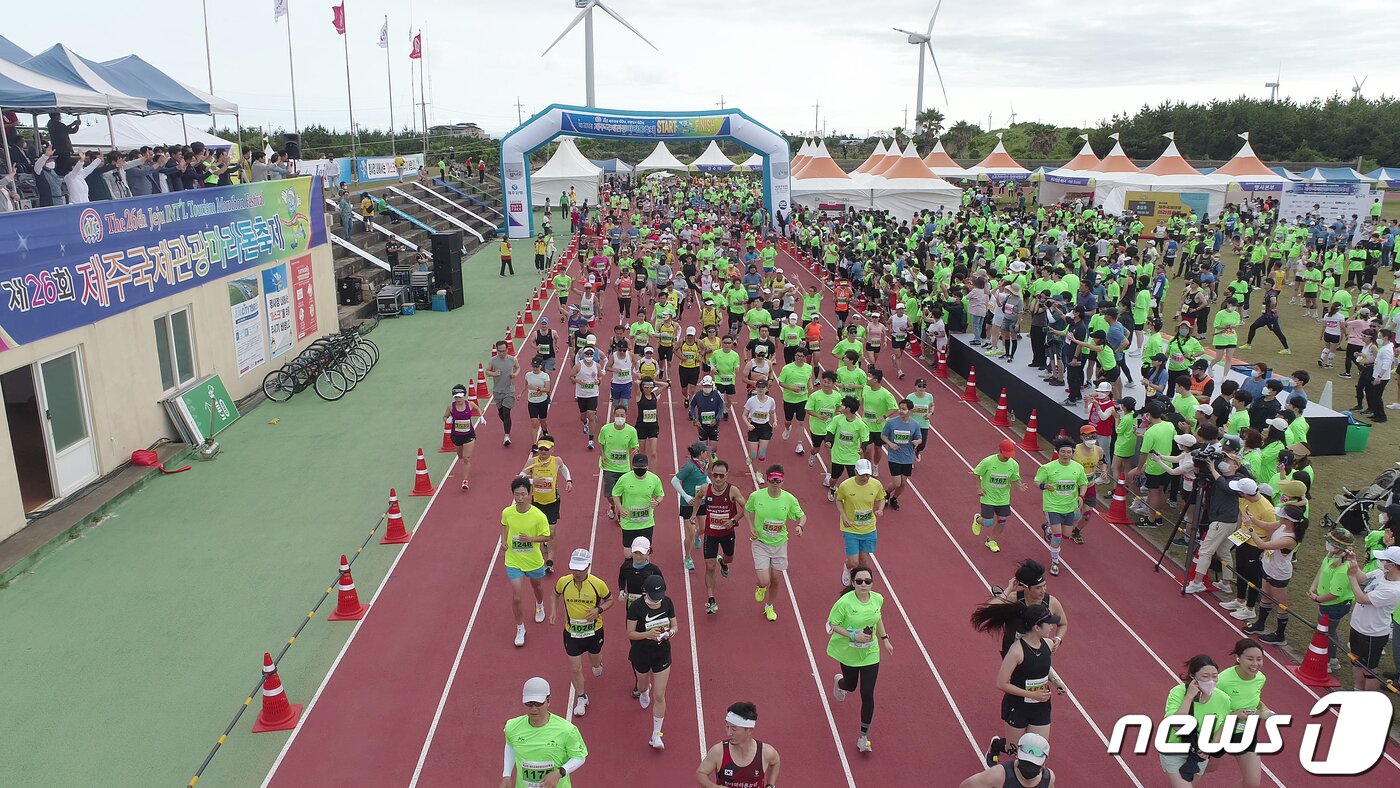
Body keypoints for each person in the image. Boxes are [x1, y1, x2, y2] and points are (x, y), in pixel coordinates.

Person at [973, 603, 1064, 767]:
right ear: (1037, 627)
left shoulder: (1048, 645)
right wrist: (1032, 695)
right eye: (1048, 623)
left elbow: (1043, 666)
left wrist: (1057, 682)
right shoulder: (1016, 651)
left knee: (1038, 753)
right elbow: (1001, 683)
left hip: (1041, 707)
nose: (1052, 626)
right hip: (1017, 708)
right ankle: (997, 746)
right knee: (1014, 751)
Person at [827, 565, 890, 754]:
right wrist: (853, 636)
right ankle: (840, 683)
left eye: (868, 581)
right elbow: (833, 624)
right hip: (849, 652)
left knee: (867, 693)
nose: (864, 584)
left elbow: (877, 618)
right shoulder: (844, 603)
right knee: (851, 686)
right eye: (860, 581)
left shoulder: (877, 598)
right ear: (853, 583)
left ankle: (863, 737)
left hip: (871, 653)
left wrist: (885, 639)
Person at [550, 549, 613, 717]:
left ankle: (598, 663)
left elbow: (610, 600)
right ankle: (581, 697)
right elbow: (555, 595)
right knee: (575, 667)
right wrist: (554, 612)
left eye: (580, 569)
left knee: (595, 665)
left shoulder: (597, 584)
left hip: (594, 632)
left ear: (588, 567)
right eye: (574, 569)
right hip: (572, 633)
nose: (577, 572)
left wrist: (598, 610)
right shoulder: (563, 582)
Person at [501, 677, 588, 788]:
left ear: (548, 701)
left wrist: (559, 773)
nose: (533, 709)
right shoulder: (512, 726)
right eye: (529, 703)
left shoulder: (567, 730)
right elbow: (510, 745)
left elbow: (580, 757)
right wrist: (506, 775)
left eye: (538, 703)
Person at [746, 465, 807, 621]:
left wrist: (800, 526)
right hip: (760, 542)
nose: (775, 483)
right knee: (764, 580)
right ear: (767, 480)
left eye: (778, 480)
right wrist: (751, 526)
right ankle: (760, 587)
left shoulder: (789, 499)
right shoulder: (757, 496)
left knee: (775, 579)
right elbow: (747, 509)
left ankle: (769, 606)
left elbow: (802, 516)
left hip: (779, 544)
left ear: (782, 480)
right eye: (772, 480)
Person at [1160, 655, 1232, 787]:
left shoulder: (1223, 699)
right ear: (1193, 676)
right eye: (1205, 676)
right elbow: (1177, 726)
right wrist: (1189, 697)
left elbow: (1224, 725)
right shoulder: (1178, 693)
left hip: (1199, 754)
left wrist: (1210, 747)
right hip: (1174, 749)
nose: (1211, 681)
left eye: (1215, 676)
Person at [627, 573, 678, 750]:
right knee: (643, 686)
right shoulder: (636, 607)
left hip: (662, 654)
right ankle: (643, 692)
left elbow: (675, 626)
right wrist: (648, 635)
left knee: (659, 695)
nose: (657, 600)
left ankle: (656, 735)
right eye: (654, 597)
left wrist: (669, 633)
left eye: (660, 596)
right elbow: (630, 633)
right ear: (645, 593)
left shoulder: (668, 602)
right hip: (641, 653)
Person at [1215, 639, 1274, 788]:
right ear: (1238, 658)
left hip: (1244, 731)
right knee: (1207, 768)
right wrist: (1233, 715)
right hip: (1219, 731)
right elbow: (1209, 707)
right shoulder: (1222, 680)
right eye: (1250, 659)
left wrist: (1265, 710)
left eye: (1259, 659)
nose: (1255, 664)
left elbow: (1255, 699)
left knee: (1252, 783)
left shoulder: (1260, 678)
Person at [691, 460, 747, 614]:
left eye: (721, 476)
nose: (717, 479)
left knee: (729, 559)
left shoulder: (732, 491)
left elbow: (746, 507)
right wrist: (694, 514)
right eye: (715, 475)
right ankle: (711, 600)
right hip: (711, 534)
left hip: (727, 533)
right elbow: (697, 498)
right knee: (709, 566)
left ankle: (723, 561)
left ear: (726, 476)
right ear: (711, 474)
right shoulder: (705, 488)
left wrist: (734, 520)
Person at [502, 478, 551, 647]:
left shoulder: (539, 516)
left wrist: (530, 539)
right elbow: (504, 526)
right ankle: (520, 628)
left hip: (533, 560)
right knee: (516, 597)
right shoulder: (507, 512)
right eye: (517, 495)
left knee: (537, 586)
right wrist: (503, 541)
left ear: (530, 494)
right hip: (513, 559)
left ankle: (540, 605)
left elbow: (547, 536)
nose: (520, 498)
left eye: (523, 494)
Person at [1249, 504, 1306, 644]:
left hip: (1279, 573)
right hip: (1268, 566)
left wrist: (1250, 529)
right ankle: (1260, 624)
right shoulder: (1282, 525)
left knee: (1281, 604)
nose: (1280, 517)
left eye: (1283, 516)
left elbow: (1262, 545)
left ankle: (1280, 635)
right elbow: (1267, 526)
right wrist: (1252, 519)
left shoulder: (1289, 539)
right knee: (1265, 595)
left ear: (1289, 521)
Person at [1346, 545, 1400, 691]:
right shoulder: (1381, 573)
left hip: (1372, 633)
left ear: (1393, 565)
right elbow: (1363, 579)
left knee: (1369, 670)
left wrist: (1351, 576)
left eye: (1383, 559)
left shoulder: (1394, 590)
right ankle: (1357, 691)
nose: (1380, 561)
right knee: (1356, 662)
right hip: (1358, 625)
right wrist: (1354, 564)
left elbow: (1362, 598)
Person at [695, 701, 782, 788]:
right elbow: (701, 773)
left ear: (749, 730)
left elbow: (775, 762)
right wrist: (713, 787)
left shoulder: (765, 753)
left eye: (734, 729)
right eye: (727, 727)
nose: (729, 733)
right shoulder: (719, 752)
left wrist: (770, 785)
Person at [1034, 439, 1088, 577]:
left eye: (1069, 452)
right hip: (1052, 506)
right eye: (1063, 452)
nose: (1066, 455)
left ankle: (1048, 528)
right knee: (1057, 537)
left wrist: (1081, 496)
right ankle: (1055, 562)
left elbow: (1083, 483)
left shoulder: (1078, 468)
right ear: (1057, 452)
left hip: (1069, 506)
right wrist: (1044, 486)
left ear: (1072, 453)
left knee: (1066, 535)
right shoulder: (1048, 468)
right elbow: (1037, 481)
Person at [520, 439, 573, 573]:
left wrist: (568, 480)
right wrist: (533, 481)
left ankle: (549, 561)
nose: (543, 452)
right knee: (538, 532)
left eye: (546, 449)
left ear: (552, 450)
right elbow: (520, 478)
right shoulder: (532, 462)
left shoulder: (556, 461)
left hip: (553, 502)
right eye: (541, 449)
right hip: (537, 502)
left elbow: (564, 468)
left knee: (551, 532)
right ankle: (538, 556)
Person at [836, 459, 887, 586]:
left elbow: (881, 498)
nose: (865, 477)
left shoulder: (876, 484)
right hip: (851, 528)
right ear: (855, 472)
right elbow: (838, 500)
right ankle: (847, 568)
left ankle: (858, 582)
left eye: (867, 474)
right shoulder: (845, 485)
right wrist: (843, 516)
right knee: (853, 562)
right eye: (862, 474)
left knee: (864, 561)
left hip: (868, 528)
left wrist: (880, 509)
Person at [972, 440, 1027, 553]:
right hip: (988, 496)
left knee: (1002, 521)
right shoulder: (988, 461)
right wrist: (979, 488)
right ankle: (978, 520)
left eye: (1009, 455)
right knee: (988, 522)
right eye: (1005, 455)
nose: (1007, 457)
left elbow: (1015, 478)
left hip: (1003, 499)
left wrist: (1019, 486)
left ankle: (991, 540)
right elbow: (976, 473)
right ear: (999, 451)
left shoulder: (1013, 464)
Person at [958, 732, 1055, 788]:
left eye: (1034, 764)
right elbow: (966, 786)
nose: (1029, 768)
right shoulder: (999, 775)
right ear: (1017, 756)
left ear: (1044, 761)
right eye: (1026, 762)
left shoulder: (1048, 779)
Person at [612, 453, 664, 548]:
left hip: (647, 522)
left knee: (644, 552)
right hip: (629, 522)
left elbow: (660, 494)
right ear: (632, 466)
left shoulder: (654, 479)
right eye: (637, 466)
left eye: (642, 466)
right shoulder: (624, 479)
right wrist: (620, 508)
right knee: (628, 554)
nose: (640, 469)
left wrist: (657, 502)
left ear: (647, 466)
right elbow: (615, 494)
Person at [879, 399, 923, 510]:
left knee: (903, 483)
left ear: (910, 410)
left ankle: (894, 498)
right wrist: (890, 444)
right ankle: (887, 492)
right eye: (900, 408)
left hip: (908, 458)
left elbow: (919, 438)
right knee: (897, 482)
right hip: (894, 457)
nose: (901, 411)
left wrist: (917, 442)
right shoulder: (891, 422)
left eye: (904, 409)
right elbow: (883, 436)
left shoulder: (915, 425)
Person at [825, 396, 869, 502]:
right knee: (834, 478)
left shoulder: (860, 425)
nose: (841, 407)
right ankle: (832, 488)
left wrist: (863, 448)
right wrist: (828, 441)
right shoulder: (837, 419)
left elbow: (865, 438)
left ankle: (851, 495)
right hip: (838, 456)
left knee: (853, 479)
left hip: (852, 457)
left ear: (848, 409)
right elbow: (830, 431)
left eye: (843, 405)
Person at [445, 384, 482, 491]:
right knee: (460, 456)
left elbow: (477, 408)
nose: (458, 399)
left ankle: (465, 480)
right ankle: (464, 461)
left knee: (466, 458)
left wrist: (481, 416)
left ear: (464, 396)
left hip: (469, 435)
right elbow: (445, 416)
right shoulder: (451, 407)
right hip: (456, 436)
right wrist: (446, 420)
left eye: (460, 397)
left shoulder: (469, 404)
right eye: (456, 397)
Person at [571, 343, 602, 449]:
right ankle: (584, 423)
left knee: (591, 415)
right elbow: (571, 377)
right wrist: (578, 381)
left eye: (590, 354)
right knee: (583, 416)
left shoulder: (597, 366)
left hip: (593, 394)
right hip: (582, 394)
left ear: (593, 355)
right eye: (587, 354)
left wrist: (599, 381)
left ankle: (591, 440)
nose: (589, 356)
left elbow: (600, 377)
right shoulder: (578, 365)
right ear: (584, 354)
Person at [489, 341, 520, 447]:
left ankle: (507, 436)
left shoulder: (512, 359)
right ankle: (508, 424)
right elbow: (487, 371)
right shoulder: (493, 360)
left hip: (509, 390)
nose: (501, 353)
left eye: (503, 351)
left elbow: (518, 367)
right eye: (499, 351)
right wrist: (494, 373)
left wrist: (515, 374)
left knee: (506, 413)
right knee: (501, 414)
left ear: (507, 349)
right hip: (497, 391)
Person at [689, 375, 727, 455]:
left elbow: (722, 406)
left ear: (712, 385)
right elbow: (692, 407)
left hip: (714, 425)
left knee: (714, 448)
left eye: (708, 386)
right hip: (702, 426)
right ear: (702, 385)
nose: (707, 387)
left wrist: (716, 419)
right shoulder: (697, 395)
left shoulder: (716, 394)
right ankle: (705, 462)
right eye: (705, 386)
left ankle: (713, 459)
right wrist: (695, 419)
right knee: (703, 447)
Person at [525, 357, 553, 439]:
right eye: (533, 366)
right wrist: (520, 393)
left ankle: (545, 430)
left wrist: (537, 389)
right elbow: (526, 385)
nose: (535, 368)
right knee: (534, 423)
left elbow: (547, 389)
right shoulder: (528, 375)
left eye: (537, 366)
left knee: (543, 422)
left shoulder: (545, 376)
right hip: (532, 402)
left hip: (542, 402)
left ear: (541, 366)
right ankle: (534, 444)